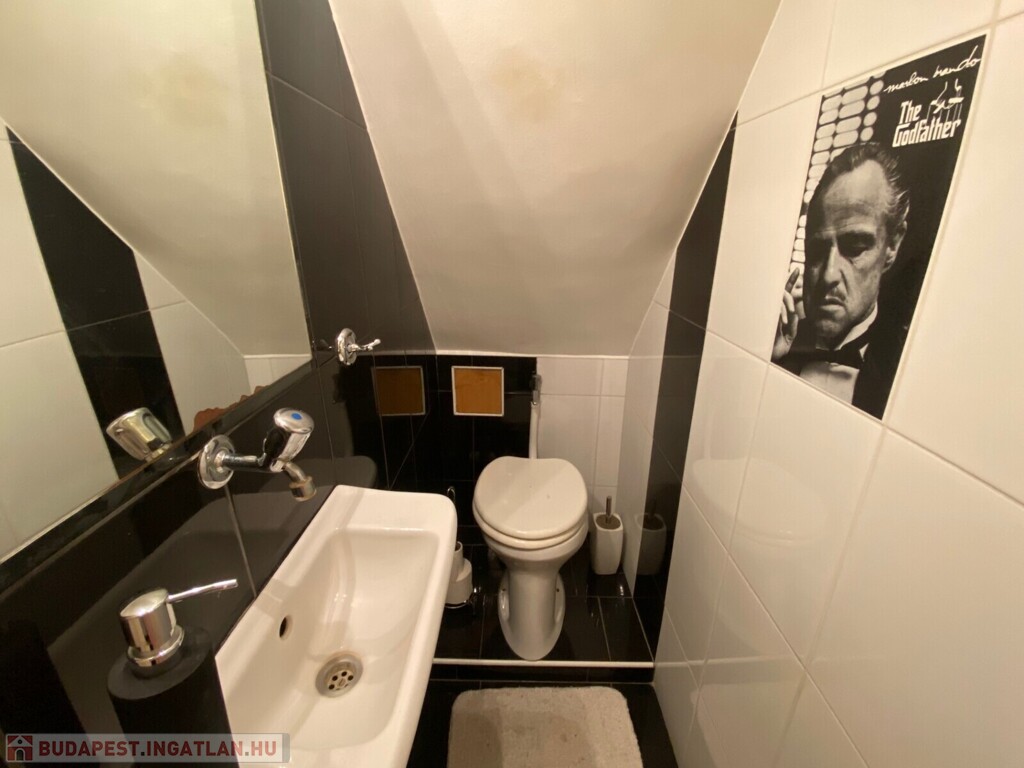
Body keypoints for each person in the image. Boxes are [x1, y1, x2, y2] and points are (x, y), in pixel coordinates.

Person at [773, 143, 909, 417]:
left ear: (892, 245)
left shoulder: (904, 367)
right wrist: (770, 361)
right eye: (817, 251)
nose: (828, 275)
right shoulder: (783, 345)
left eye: (855, 247)